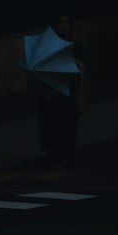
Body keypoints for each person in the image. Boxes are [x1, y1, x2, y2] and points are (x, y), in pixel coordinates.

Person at [35, 12, 87, 171]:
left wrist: (82, 98)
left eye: (66, 22)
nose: (63, 25)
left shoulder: (76, 46)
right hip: (53, 94)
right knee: (55, 127)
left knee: (70, 128)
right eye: (60, 23)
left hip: (71, 93)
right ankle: (56, 157)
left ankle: (66, 157)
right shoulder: (49, 47)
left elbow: (83, 72)